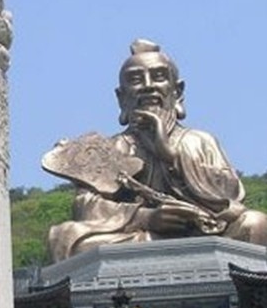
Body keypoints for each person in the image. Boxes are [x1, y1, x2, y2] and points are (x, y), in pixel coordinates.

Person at [48, 39, 267, 261]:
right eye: (136, 80)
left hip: (203, 235)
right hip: (143, 239)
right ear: (122, 97)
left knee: (255, 223)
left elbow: (230, 198)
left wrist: (171, 155)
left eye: (158, 77)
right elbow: (85, 207)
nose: (148, 86)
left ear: (177, 91)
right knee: (66, 236)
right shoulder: (111, 148)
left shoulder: (200, 141)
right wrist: (146, 217)